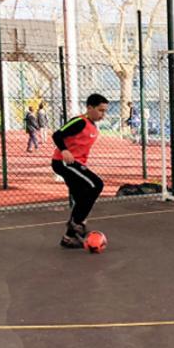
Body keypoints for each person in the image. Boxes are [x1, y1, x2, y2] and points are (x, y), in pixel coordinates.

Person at [52, 94, 109, 249]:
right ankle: (77, 223)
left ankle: (69, 238)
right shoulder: (79, 122)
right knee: (96, 185)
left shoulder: (92, 126)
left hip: (76, 164)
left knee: (81, 197)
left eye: (105, 111)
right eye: (100, 110)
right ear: (89, 108)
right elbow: (57, 134)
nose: (103, 114)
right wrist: (64, 150)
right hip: (65, 163)